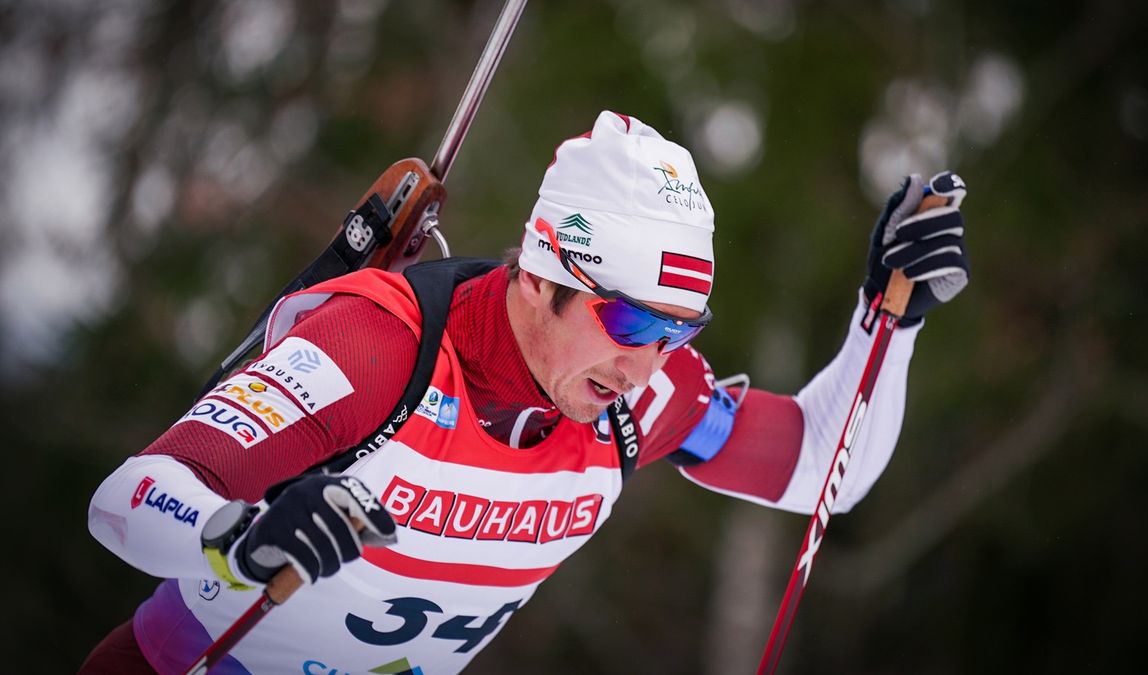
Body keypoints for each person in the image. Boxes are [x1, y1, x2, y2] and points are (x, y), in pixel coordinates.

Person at [82, 110, 969, 674]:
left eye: (679, 331)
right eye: (628, 323)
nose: (647, 366)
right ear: (541, 274)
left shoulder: (635, 399)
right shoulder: (380, 345)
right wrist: (230, 535)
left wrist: (888, 323)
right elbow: (123, 499)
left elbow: (823, 471)